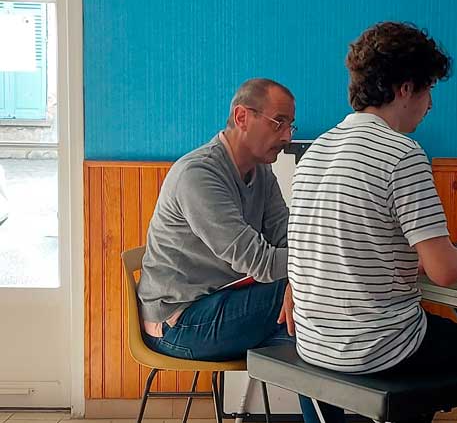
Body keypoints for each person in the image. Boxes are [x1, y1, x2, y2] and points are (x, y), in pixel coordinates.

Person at [287, 22, 457, 423]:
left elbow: (350, 250)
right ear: (405, 89)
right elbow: (444, 271)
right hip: (376, 349)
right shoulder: (401, 154)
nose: (430, 105)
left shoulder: (317, 151)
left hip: (315, 343)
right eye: (428, 90)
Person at [137, 78, 340, 422]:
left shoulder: (261, 172)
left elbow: (286, 237)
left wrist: (296, 281)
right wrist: (314, 271)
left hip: (225, 304)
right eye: (279, 123)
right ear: (242, 117)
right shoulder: (198, 175)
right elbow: (261, 262)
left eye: (290, 125)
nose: (287, 136)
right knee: (312, 311)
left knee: (310, 336)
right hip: (179, 322)